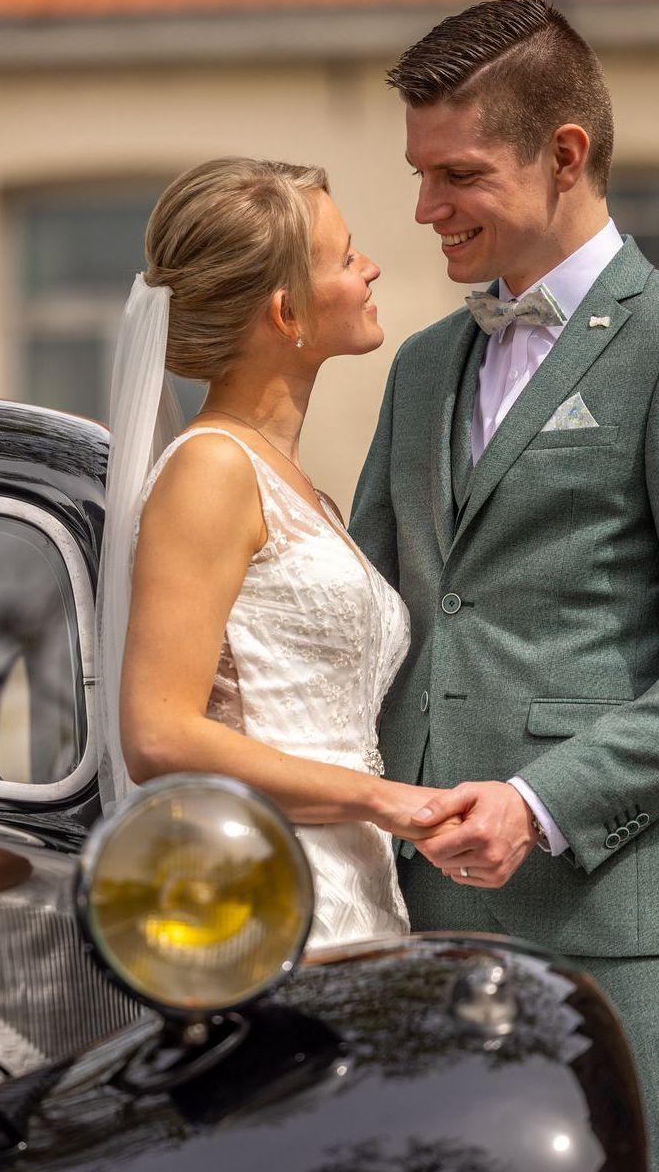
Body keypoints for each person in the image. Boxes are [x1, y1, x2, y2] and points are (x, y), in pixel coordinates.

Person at [349, 0, 659, 1172]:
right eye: (418, 174)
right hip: (425, 921)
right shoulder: (423, 363)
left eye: (458, 174)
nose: (427, 207)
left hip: (627, 925)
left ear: (564, 155)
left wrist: (539, 803)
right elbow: (374, 619)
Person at [95, 157, 445, 950]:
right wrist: (390, 802)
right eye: (346, 255)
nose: (371, 268)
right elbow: (159, 734)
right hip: (262, 902)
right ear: (287, 311)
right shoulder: (212, 469)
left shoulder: (294, 485)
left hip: (350, 891)